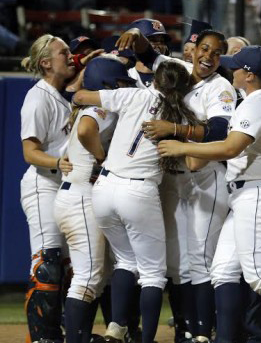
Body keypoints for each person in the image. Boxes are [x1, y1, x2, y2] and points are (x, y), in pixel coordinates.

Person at [156, 46, 261, 343]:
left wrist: (184, 146)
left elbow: (231, 148)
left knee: (258, 273)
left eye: (238, 67)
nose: (233, 71)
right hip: (251, 193)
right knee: (223, 270)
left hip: (258, 193)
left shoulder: (258, 102)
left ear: (250, 75)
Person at [73, 60, 201, 343]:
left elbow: (80, 96)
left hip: (104, 186)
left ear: (155, 80)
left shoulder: (134, 94)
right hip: (138, 191)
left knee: (125, 260)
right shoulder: (179, 116)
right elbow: (193, 161)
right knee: (153, 274)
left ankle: (116, 329)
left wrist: (85, 81)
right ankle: (145, 339)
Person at [124, 27, 236, 343]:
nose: (209, 56)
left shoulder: (221, 88)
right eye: (205, 48)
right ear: (193, 49)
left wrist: (173, 128)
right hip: (173, 178)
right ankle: (186, 330)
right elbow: (148, 54)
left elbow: (218, 132)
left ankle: (203, 332)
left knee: (200, 259)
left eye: (216, 52)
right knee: (178, 263)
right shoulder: (182, 71)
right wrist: (137, 36)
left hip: (205, 178)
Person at [54, 56, 137, 342]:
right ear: (106, 84)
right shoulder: (101, 109)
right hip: (80, 199)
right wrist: (101, 157)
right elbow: (87, 129)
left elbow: (68, 150)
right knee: (88, 277)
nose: (125, 87)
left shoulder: (87, 108)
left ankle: (81, 335)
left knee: (97, 278)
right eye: (121, 82)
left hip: (74, 195)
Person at [19, 34, 92, 343]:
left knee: (67, 267)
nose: (71, 56)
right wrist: (57, 161)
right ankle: (43, 337)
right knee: (48, 266)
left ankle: (58, 332)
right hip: (43, 184)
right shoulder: (38, 96)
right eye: (64, 53)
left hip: (64, 188)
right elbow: (30, 152)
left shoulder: (62, 94)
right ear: (46, 63)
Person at [126, 18, 171, 88]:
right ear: (134, 44)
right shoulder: (125, 76)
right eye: (152, 40)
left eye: (162, 41)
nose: (159, 45)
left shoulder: (173, 77)